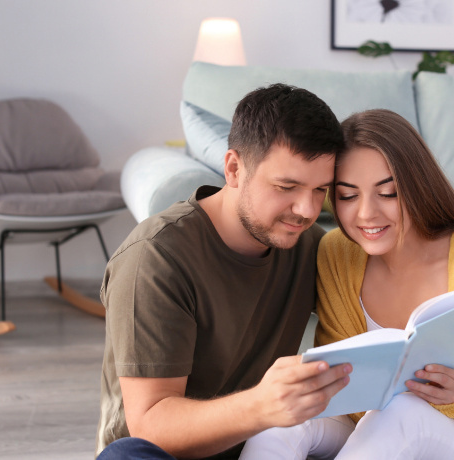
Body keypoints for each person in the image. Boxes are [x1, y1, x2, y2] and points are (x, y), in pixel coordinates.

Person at [240, 109, 454, 459]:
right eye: (348, 195)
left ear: (417, 187)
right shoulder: (338, 253)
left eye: (389, 193)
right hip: (374, 433)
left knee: (404, 410)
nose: (366, 213)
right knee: (283, 419)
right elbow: (345, 396)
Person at [95, 83, 353, 460]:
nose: (306, 210)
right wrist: (263, 405)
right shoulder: (155, 259)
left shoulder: (310, 245)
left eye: (320, 190)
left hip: (263, 447)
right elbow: (151, 426)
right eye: (287, 186)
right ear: (233, 168)